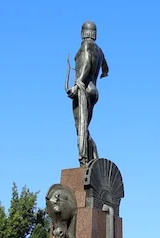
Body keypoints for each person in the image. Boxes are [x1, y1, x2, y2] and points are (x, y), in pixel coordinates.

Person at [68, 21, 110, 166]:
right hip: (93, 91)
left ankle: (85, 159)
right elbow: (106, 69)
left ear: (83, 32)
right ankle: (93, 157)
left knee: (80, 127)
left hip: (83, 89)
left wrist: (76, 84)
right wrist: (101, 74)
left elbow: (85, 64)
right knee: (84, 127)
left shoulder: (86, 46)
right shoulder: (99, 50)